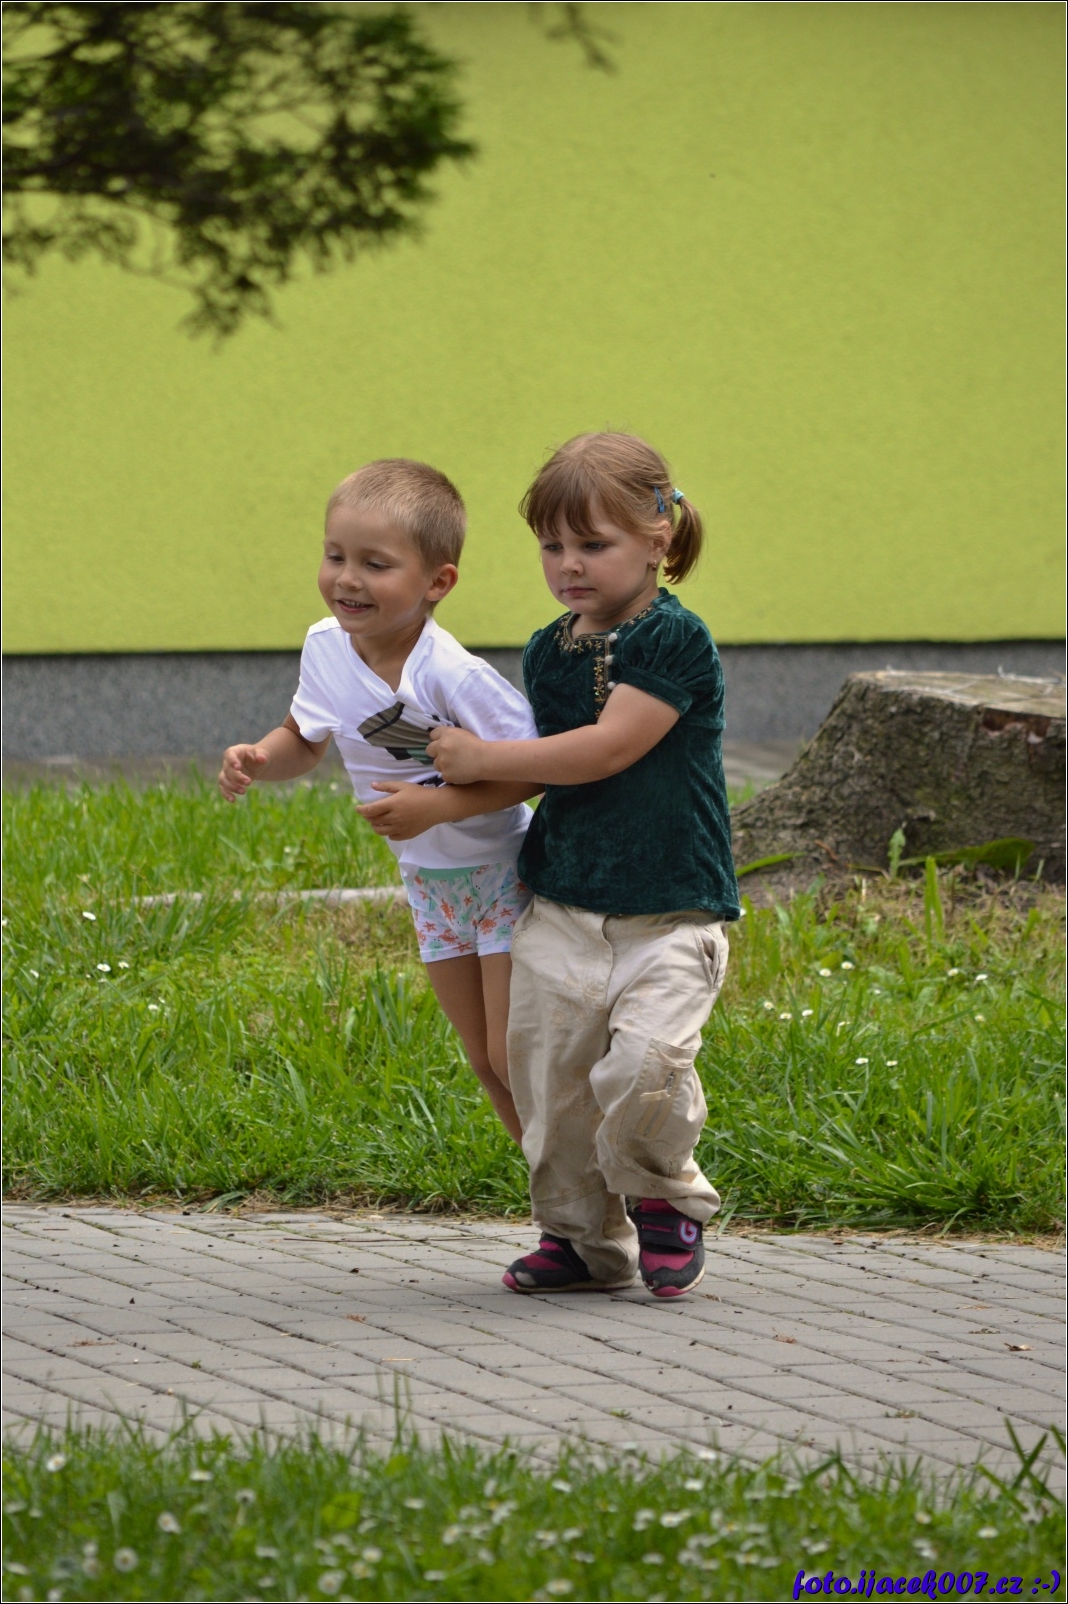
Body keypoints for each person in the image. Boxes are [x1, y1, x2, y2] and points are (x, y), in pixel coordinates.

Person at [426, 432, 741, 1298]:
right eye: (551, 545)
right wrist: (441, 797)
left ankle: (664, 1197)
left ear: (657, 539)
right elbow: (545, 768)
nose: (568, 564)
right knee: (553, 1086)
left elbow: (606, 749)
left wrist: (482, 756)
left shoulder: (673, 639)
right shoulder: (547, 649)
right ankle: (581, 1242)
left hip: (671, 908)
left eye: (593, 544)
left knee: (646, 1066)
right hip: (562, 903)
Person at [218, 459, 538, 1142]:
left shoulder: (452, 673)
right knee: (485, 1061)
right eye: (335, 556)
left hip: (506, 873)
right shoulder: (324, 648)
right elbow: (303, 738)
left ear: (437, 582)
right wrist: (261, 758)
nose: (347, 579)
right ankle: (556, 1195)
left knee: (516, 1056)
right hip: (429, 884)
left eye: (375, 564)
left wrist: (439, 807)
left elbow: (535, 770)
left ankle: (596, 1183)